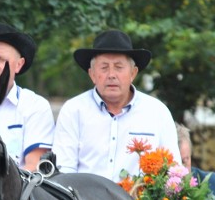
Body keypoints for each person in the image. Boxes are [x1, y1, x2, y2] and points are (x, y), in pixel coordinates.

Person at [53, 29, 181, 182]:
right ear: (92, 74)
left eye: (119, 67)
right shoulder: (74, 110)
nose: (111, 75)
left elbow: (173, 172)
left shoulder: (157, 112)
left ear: (133, 73)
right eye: (104, 67)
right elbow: (63, 171)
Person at [0, 22, 55, 171]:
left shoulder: (35, 106)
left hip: (17, 193)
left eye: (1, 59)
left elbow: (33, 168)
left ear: (19, 65)